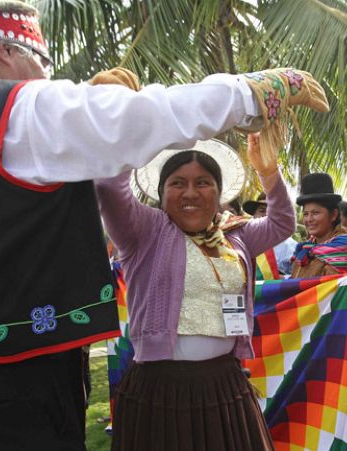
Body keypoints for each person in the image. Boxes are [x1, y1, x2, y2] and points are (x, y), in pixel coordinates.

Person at [0, 1, 328, 448]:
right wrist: (258, 89)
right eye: (43, 62)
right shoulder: (17, 109)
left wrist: (270, 174)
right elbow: (141, 120)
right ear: (7, 52)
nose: (47, 78)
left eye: (204, 183)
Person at [96, 135, 293, 450]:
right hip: (159, 388)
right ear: (161, 194)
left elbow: (282, 223)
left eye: (203, 183)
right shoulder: (145, 231)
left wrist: (269, 173)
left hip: (225, 384)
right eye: (177, 183)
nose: (190, 193)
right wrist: (134, 128)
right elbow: (108, 188)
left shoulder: (237, 235)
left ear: (219, 193)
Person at [290, 173, 347, 278]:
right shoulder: (304, 249)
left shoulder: (345, 248)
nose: (309, 219)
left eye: (315, 213)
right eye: (306, 214)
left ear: (334, 215)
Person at [245, 192, 297, 279]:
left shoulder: (291, 246)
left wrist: (277, 278)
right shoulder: (243, 242)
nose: (267, 215)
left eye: (272, 212)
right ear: (254, 215)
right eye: (262, 211)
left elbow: (298, 277)